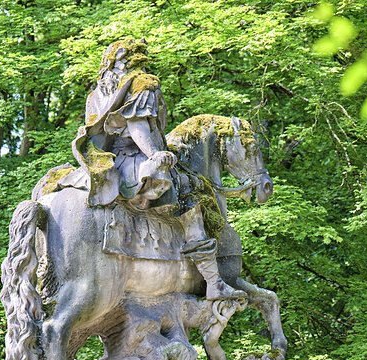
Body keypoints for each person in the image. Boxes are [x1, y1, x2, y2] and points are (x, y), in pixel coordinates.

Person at [70, 38, 245, 300]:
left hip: (108, 159)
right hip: (134, 158)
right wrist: (155, 154)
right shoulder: (143, 83)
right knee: (189, 193)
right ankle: (213, 281)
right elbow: (138, 126)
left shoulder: (98, 93)